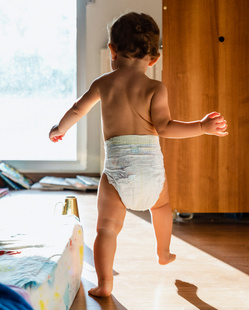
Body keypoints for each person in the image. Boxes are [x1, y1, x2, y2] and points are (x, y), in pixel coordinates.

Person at [49, 12, 228, 297]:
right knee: (161, 208)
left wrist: (60, 128)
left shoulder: (103, 84)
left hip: (118, 172)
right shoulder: (155, 88)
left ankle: (106, 284)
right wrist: (202, 126)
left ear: (112, 51)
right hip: (151, 172)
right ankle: (163, 251)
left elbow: (77, 110)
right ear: (154, 59)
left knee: (107, 230)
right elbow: (166, 128)